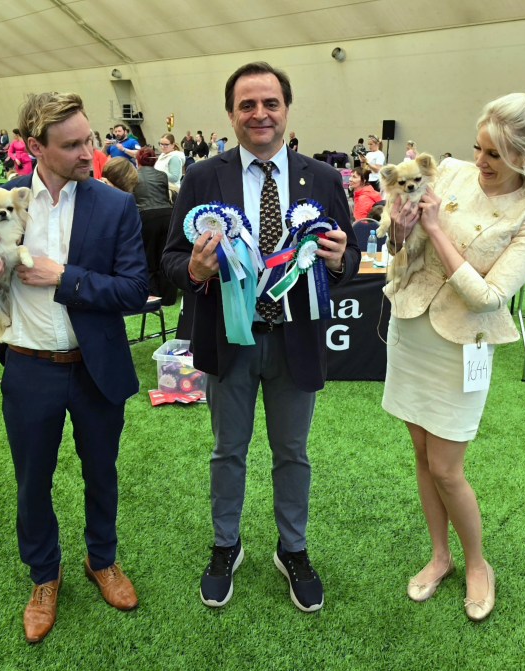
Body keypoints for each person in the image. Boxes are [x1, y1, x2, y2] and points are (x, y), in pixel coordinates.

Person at [162, 61, 359, 613]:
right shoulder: (203, 178)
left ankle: (292, 549)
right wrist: (195, 269)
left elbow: (347, 259)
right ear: (231, 114)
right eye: (247, 105)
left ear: (286, 110)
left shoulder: (322, 179)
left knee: (292, 453)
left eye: (270, 103)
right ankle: (226, 545)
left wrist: (340, 260)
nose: (260, 114)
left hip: (297, 342)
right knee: (228, 450)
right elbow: (171, 260)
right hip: (230, 341)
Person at [0, 91, 149, 643]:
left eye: (90, 139)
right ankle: (44, 575)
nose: (88, 152)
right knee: (32, 479)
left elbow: (135, 289)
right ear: (34, 146)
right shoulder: (2, 203)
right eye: (72, 145)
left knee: (101, 471)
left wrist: (64, 277)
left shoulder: (114, 204)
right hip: (28, 366)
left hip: (96, 367)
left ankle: (102, 559)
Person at [381, 92, 525, 622]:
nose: (480, 161)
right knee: (421, 453)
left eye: (494, 154)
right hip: (410, 325)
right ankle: (440, 556)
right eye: (478, 148)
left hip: (463, 344)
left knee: (447, 467)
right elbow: (399, 246)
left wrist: (436, 229)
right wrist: (399, 229)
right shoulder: (451, 172)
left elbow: (489, 297)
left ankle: (478, 564)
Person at [133, 146, 177, 305]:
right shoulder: (162, 175)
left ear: (138, 160)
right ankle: (169, 297)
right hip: (167, 215)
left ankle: (153, 296)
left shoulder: (134, 175)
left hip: (147, 216)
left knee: (149, 258)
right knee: (166, 257)